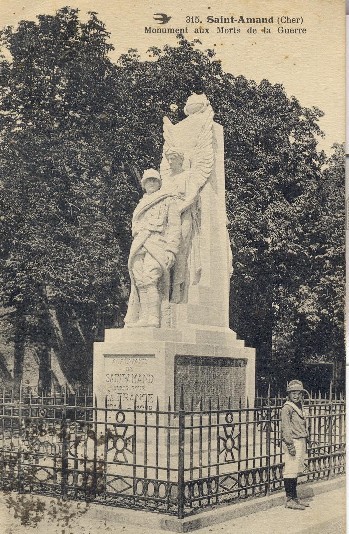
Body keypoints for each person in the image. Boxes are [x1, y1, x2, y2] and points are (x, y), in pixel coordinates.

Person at [124, 168, 181, 328]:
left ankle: (154, 319)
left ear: (159, 182)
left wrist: (171, 249)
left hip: (157, 243)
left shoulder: (168, 200)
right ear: (143, 183)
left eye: (154, 180)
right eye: (148, 180)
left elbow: (174, 227)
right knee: (140, 281)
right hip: (139, 244)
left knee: (151, 280)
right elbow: (135, 225)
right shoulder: (141, 203)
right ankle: (143, 318)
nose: (151, 183)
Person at [281, 380, 310, 510]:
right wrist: (290, 445)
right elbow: (286, 428)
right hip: (293, 441)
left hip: (301, 440)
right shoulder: (287, 408)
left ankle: (295, 498)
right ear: (288, 394)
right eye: (293, 393)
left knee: (296, 470)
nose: (296, 395)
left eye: (298, 393)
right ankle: (289, 499)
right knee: (290, 470)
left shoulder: (299, 406)